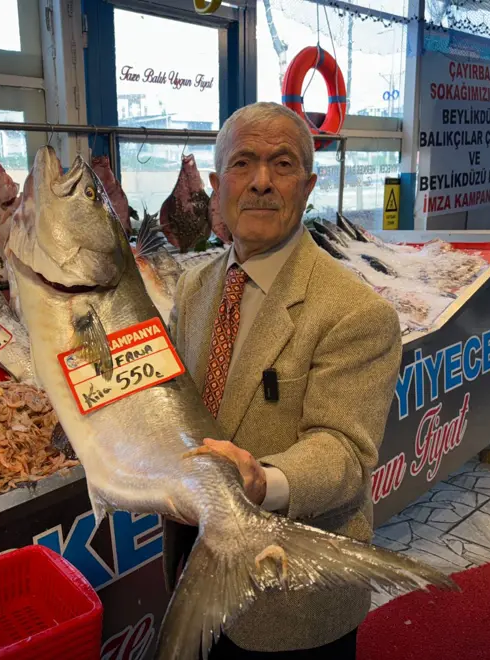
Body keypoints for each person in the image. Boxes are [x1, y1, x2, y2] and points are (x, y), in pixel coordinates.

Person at [165, 101, 403, 659]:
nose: (263, 182)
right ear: (219, 186)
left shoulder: (355, 312)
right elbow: (172, 397)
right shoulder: (194, 286)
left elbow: (344, 451)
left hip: (290, 594)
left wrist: (260, 480)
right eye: (244, 164)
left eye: (283, 164)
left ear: (309, 184)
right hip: (190, 563)